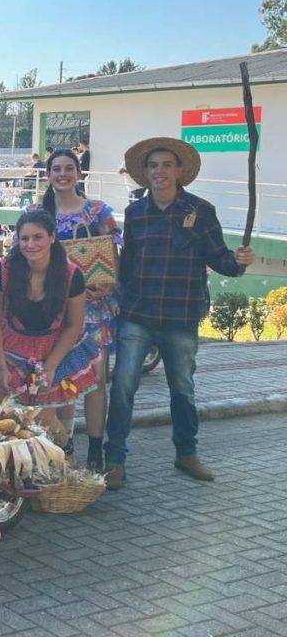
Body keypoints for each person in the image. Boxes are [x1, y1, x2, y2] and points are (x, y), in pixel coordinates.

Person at [104, 138, 254, 488]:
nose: (160, 171)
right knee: (123, 386)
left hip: (181, 316)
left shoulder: (201, 210)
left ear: (179, 171)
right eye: (153, 166)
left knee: (183, 389)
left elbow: (218, 257)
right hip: (137, 314)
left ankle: (187, 453)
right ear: (145, 172)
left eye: (167, 165)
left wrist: (238, 262)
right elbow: (128, 264)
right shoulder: (135, 214)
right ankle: (115, 460)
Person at [39, 149, 121, 471]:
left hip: (95, 308)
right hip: (55, 311)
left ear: (78, 173)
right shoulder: (38, 213)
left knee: (96, 381)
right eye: (56, 169)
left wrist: (108, 284)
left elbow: (113, 254)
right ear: (48, 175)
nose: (63, 174)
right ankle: (64, 450)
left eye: (69, 168)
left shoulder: (98, 212)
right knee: (61, 380)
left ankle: (96, 451)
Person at [0, 209, 99, 432]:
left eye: (38, 237)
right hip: (15, 345)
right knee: (0, 410)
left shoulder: (71, 274)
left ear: (52, 237)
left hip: (55, 346)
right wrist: (0, 367)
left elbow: (74, 325)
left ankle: (64, 448)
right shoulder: (4, 268)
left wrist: (50, 368)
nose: (30, 245)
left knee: (45, 420)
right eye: (24, 238)